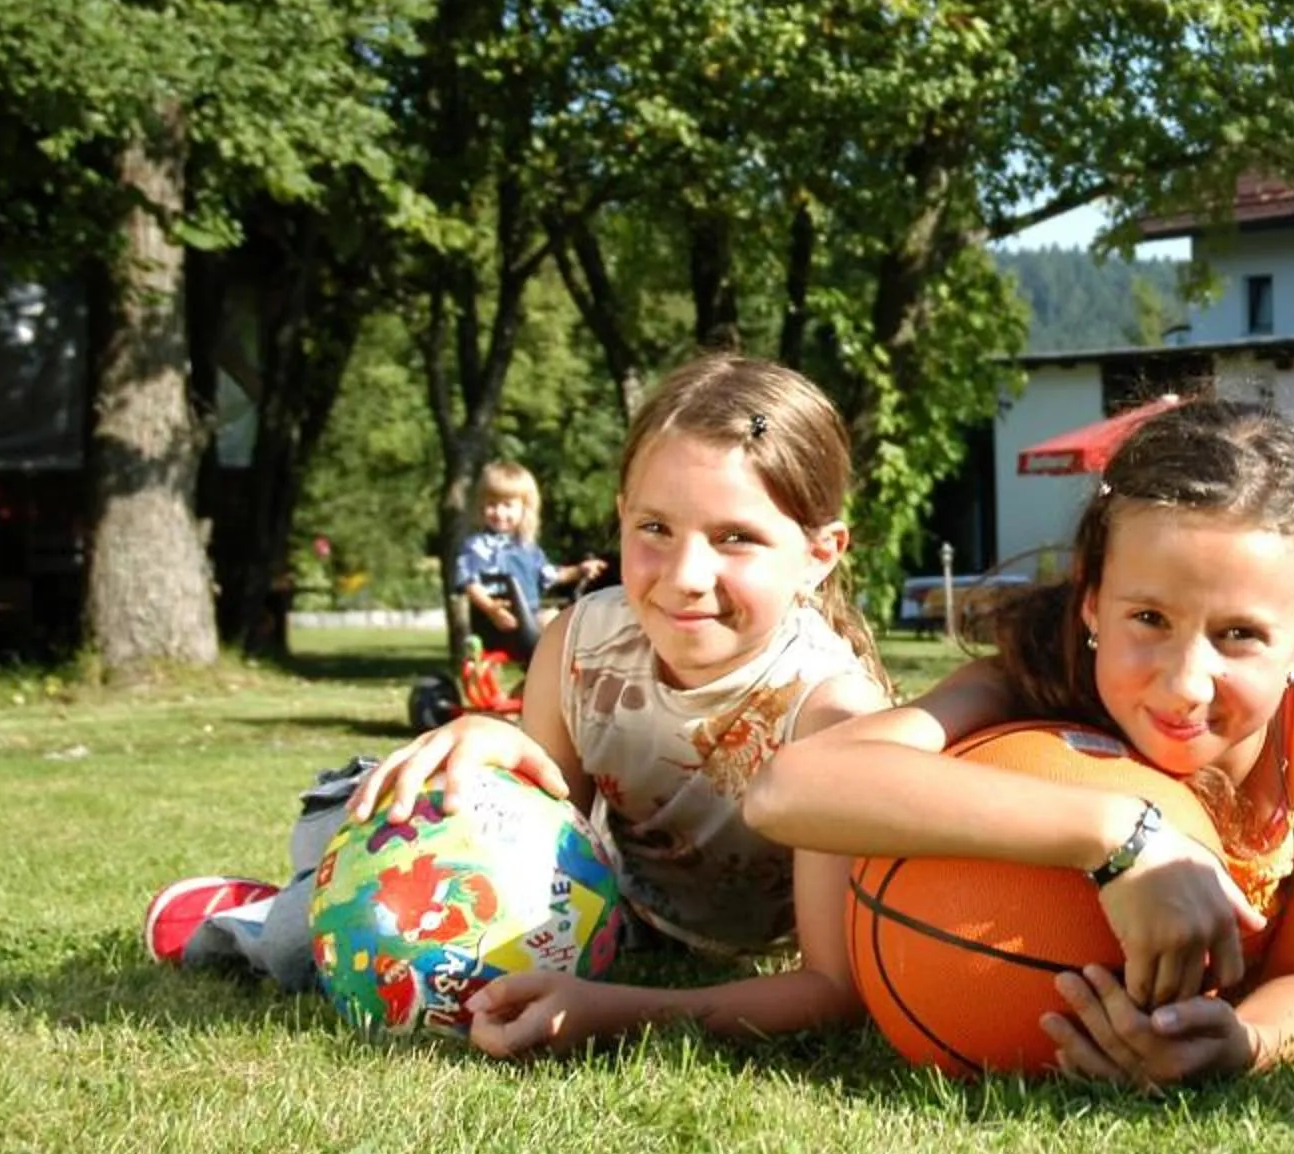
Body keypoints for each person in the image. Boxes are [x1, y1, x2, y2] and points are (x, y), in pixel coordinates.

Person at [144, 354, 895, 1058]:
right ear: (622, 514)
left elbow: (831, 989)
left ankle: (273, 910)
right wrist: (490, 737)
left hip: (699, 941)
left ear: (820, 553)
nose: (685, 576)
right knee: (397, 826)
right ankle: (262, 916)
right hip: (616, 909)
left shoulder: (831, 715)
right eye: (655, 529)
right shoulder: (581, 642)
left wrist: (610, 1012)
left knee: (365, 884)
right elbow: (539, 828)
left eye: (737, 538)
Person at [744, 398, 1294, 1087]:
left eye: (1239, 635)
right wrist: (1122, 838)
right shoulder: (1030, 682)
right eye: (1148, 617)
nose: (1186, 684)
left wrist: (1242, 1044)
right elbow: (787, 791)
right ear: (1091, 599)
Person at [452, 460, 607, 666]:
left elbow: (549, 574)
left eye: (507, 505)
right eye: (492, 504)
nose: (499, 512)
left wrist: (579, 570)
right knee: (557, 623)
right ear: (481, 506)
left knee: (571, 622)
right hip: (499, 622)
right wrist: (490, 608)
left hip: (528, 619)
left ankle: (566, 679)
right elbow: (469, 581)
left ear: (524, 509)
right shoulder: (478, 546)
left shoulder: (527, 548)